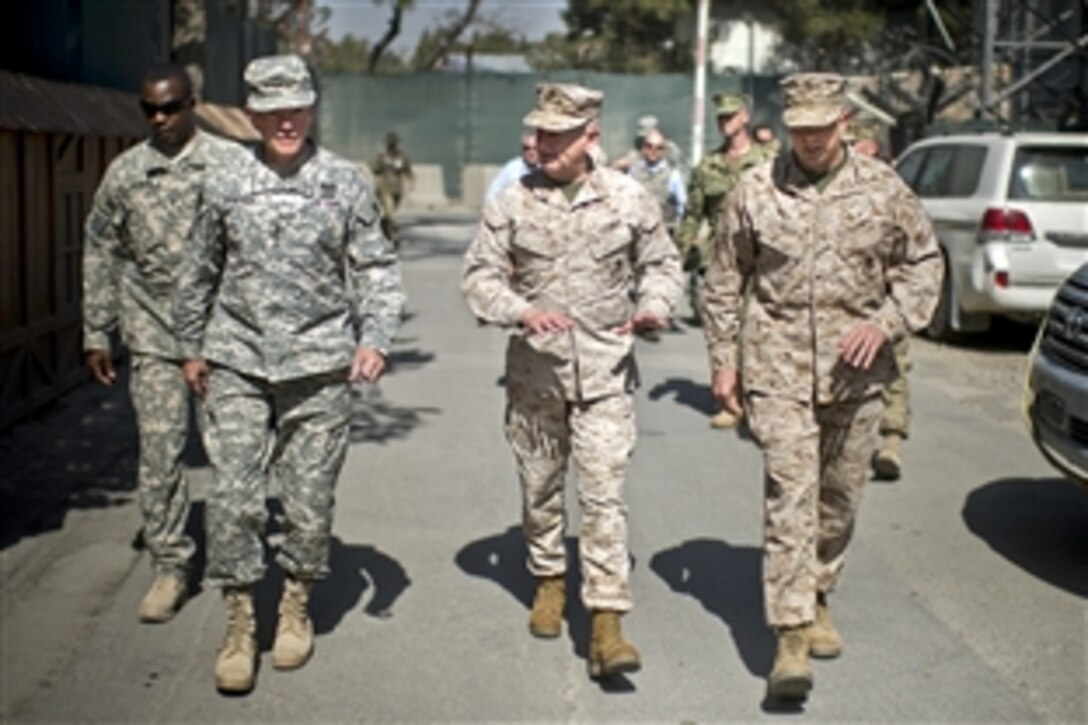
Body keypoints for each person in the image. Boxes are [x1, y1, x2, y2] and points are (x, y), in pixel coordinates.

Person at [700, 72, 942, 700]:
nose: (809, 140)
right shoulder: (755, 191)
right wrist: (724, 362)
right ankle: (790, 635)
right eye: (798, 129)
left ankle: (819, 588)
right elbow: (724, 278)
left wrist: (886, 323)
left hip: (857, 374)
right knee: (790, 493)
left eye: (820, 128)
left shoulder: (885, 190)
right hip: (776, 368)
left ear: (845, 124)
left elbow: (923, 264)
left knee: (839, 497)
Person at [175, 54, 406, 694]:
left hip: (320, 365)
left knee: (307, 503)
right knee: (234, 497)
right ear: (251, 114)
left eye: (296, 108)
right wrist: (189, 348)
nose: (286, 121)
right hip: (238, 360)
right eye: (272, 110)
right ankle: (241, 621)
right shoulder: (224, 180)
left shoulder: (346, 181)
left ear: (311, 107)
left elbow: (377, 269)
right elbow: (197, 270)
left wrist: (375, 337)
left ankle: (295, 603)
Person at [461, 82, 683, 680]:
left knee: (604, 493)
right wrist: (520, 310)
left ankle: (608, 623)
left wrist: (657, 304)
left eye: (556, 135)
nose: (541, 144)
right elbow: (479, 277)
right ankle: (549, 578)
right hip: (535, 377)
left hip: (608, 373)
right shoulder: (512, 200)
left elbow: (663, 264)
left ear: (590, 137)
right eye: (538, 133)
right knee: (540, 490)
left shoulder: (630, 198)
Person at [82, 63, 241, 625]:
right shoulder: (127, 173)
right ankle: (170, 567)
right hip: (153, 333)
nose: (159, 118)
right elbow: (101, 248)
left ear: (192, 104)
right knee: (160, 454)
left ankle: (235, 565)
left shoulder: (230, 164)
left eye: (170, 107)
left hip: (223, 338)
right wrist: (97, 329)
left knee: (231, 456)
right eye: (149, 108)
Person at [676, 91, 776, 429]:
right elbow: (692, 214)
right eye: (720, 117)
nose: (725, 122)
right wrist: (679, 254)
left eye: (731, 116)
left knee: (761, 326)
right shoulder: (709, 166)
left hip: (766, 256)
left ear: (745, 117)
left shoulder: (770, 159)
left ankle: (757, 396)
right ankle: (730, 399)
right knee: (721, 325)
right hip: (724, 260)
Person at [846, 117, 912, 481]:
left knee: (896, 366)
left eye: (866, 151)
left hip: (888, 293)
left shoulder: (895, 190)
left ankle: (891, 440)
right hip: (848, 296)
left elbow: (915, 246)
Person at [627, 128, 687, 237]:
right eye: (649, 146)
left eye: (659, 148)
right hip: (638, 233)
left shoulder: (673, 176)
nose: (653, 151)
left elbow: (682, 207)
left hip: (665, 234)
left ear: (663, 150)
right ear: (643, 148)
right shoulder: (633, 173)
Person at [371, 131, 414, 241]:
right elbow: (375, 169)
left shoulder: (402, 156)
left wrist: (411, 182)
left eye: (393, 143)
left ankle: (385, 228)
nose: (392, 146)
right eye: (390, 144)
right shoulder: (382, 155)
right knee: (391, 213)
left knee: (389, 213)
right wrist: (381, 161)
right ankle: (394, 232)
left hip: (397, 190)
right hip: (384, 189)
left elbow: (408, 170)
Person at [485, 130, 539, 201]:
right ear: (522, 150)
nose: (531, 152)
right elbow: (491, 196)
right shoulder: (512, 169)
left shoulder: (547, 168)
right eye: (527, 148)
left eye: (535, 148)